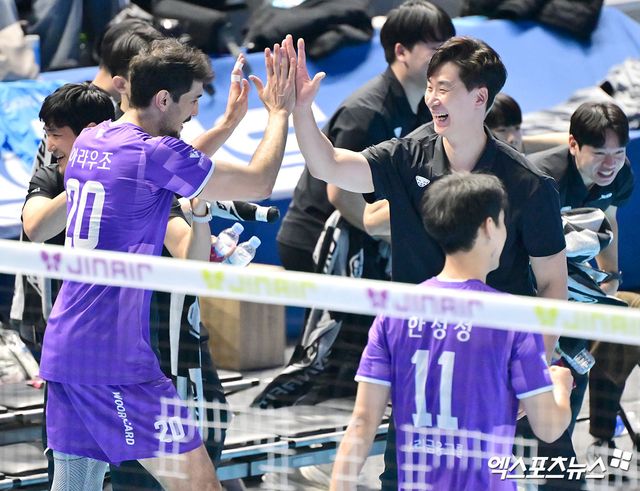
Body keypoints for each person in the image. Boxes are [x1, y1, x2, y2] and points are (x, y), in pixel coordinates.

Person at [289, 35, 570, 489]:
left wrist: (533, 369)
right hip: (423, 355)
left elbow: (553, 283)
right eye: (430, 87)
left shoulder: (529, 185)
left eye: (444, 88)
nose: (432, 98)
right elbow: (329, 165)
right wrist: (301, 111)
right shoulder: (408, 155)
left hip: (496, 363)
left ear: (479, 97)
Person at [39, 37, 296, 491]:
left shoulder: (92, 140)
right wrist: (278, 113)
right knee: (200, 485)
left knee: (75, 486)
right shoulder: (154, 154)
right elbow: (259, 183)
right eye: (192, 101)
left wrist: (229, 123)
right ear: (163, 99)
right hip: (113, 359)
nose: (194, 113)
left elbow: (169, 168)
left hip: (65, 348)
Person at [330, 173, 573, 490]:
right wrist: (560, 386)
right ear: (489, 227)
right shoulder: (511, 318)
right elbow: (549, 428)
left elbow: (362, 424)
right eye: (503, 222)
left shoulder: (394, 314)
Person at [277, 0, 454, 272]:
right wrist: (401, 240)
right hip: (317, 240)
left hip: (363, 240)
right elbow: (341, 193)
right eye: (436, 49)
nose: (447, 60)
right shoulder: (367, 113)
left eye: (450, 49)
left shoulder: (425, 107)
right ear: (401, 51)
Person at [528, 101, 638, 456]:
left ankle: (592, 437)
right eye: (600, 154)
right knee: (557, 367)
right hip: (528, 286)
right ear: (573, 144)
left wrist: (611, 278)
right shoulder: (540, 180)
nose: (610, 164)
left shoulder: (620, 173)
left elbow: (609, 220)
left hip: (574, 285)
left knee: (621, 325)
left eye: (618, 153)